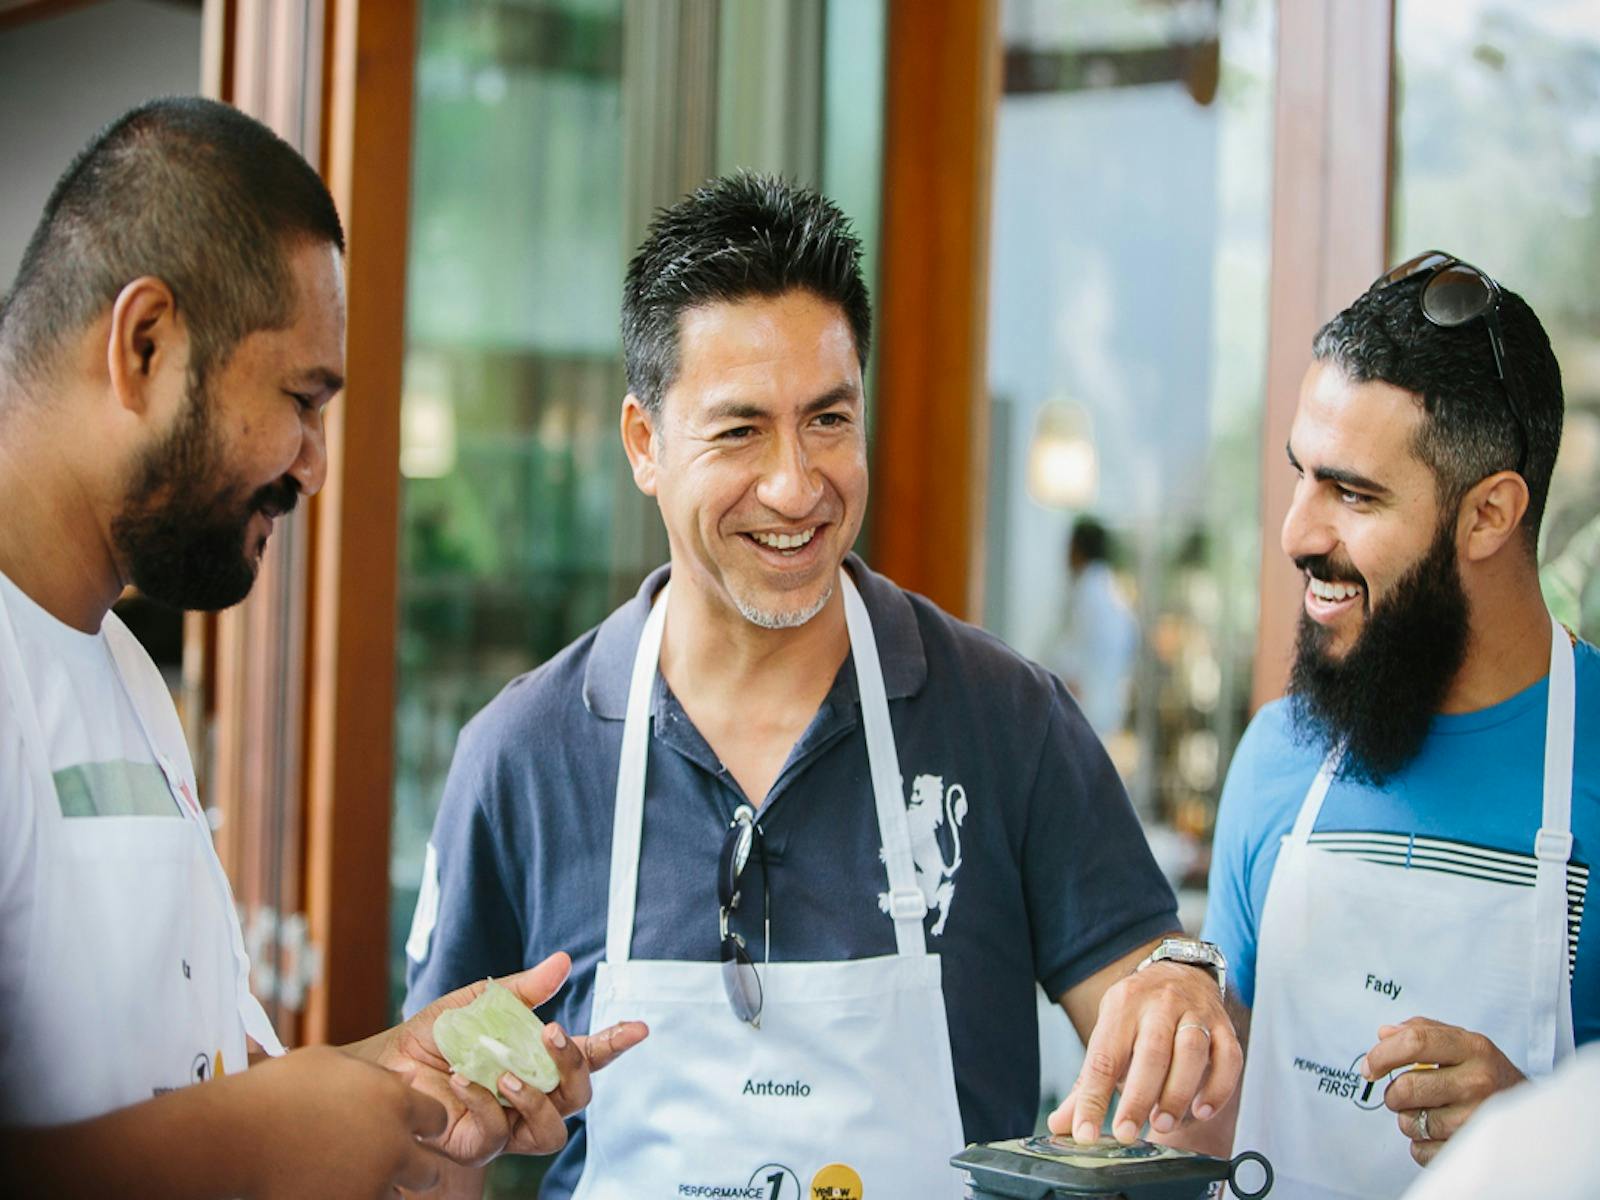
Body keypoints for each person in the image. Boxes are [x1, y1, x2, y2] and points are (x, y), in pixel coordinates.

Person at [405, 172, 1240, 1200]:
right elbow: (432, 1140)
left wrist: (1183, 991)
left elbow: (1171, 1064)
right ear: (642, 444)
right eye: (739, 429)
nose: (796, 486)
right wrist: (477, 1119)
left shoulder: (1009, 722)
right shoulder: (525, 752)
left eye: (828, 420)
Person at [0, 97, 644, 1197]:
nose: (315, 465)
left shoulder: (125, 681)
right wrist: (257, 1149)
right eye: (301, 399)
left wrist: (392, 1084)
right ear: (144, 343)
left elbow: (206, 1081)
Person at [1192, 252, 1599, 1198]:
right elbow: (1217, 1120)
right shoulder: (1276, 758)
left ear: (1490, 512)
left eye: (1354, 493)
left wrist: (1537, 1144)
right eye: (1302, 476)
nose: (1298, 532)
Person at [1043, 516, 1138, 737]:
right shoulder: (1112, 593)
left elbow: (1068, 658)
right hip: (1103, 707)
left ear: (1078, 549)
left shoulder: (1087, 594)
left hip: (1081, 707)